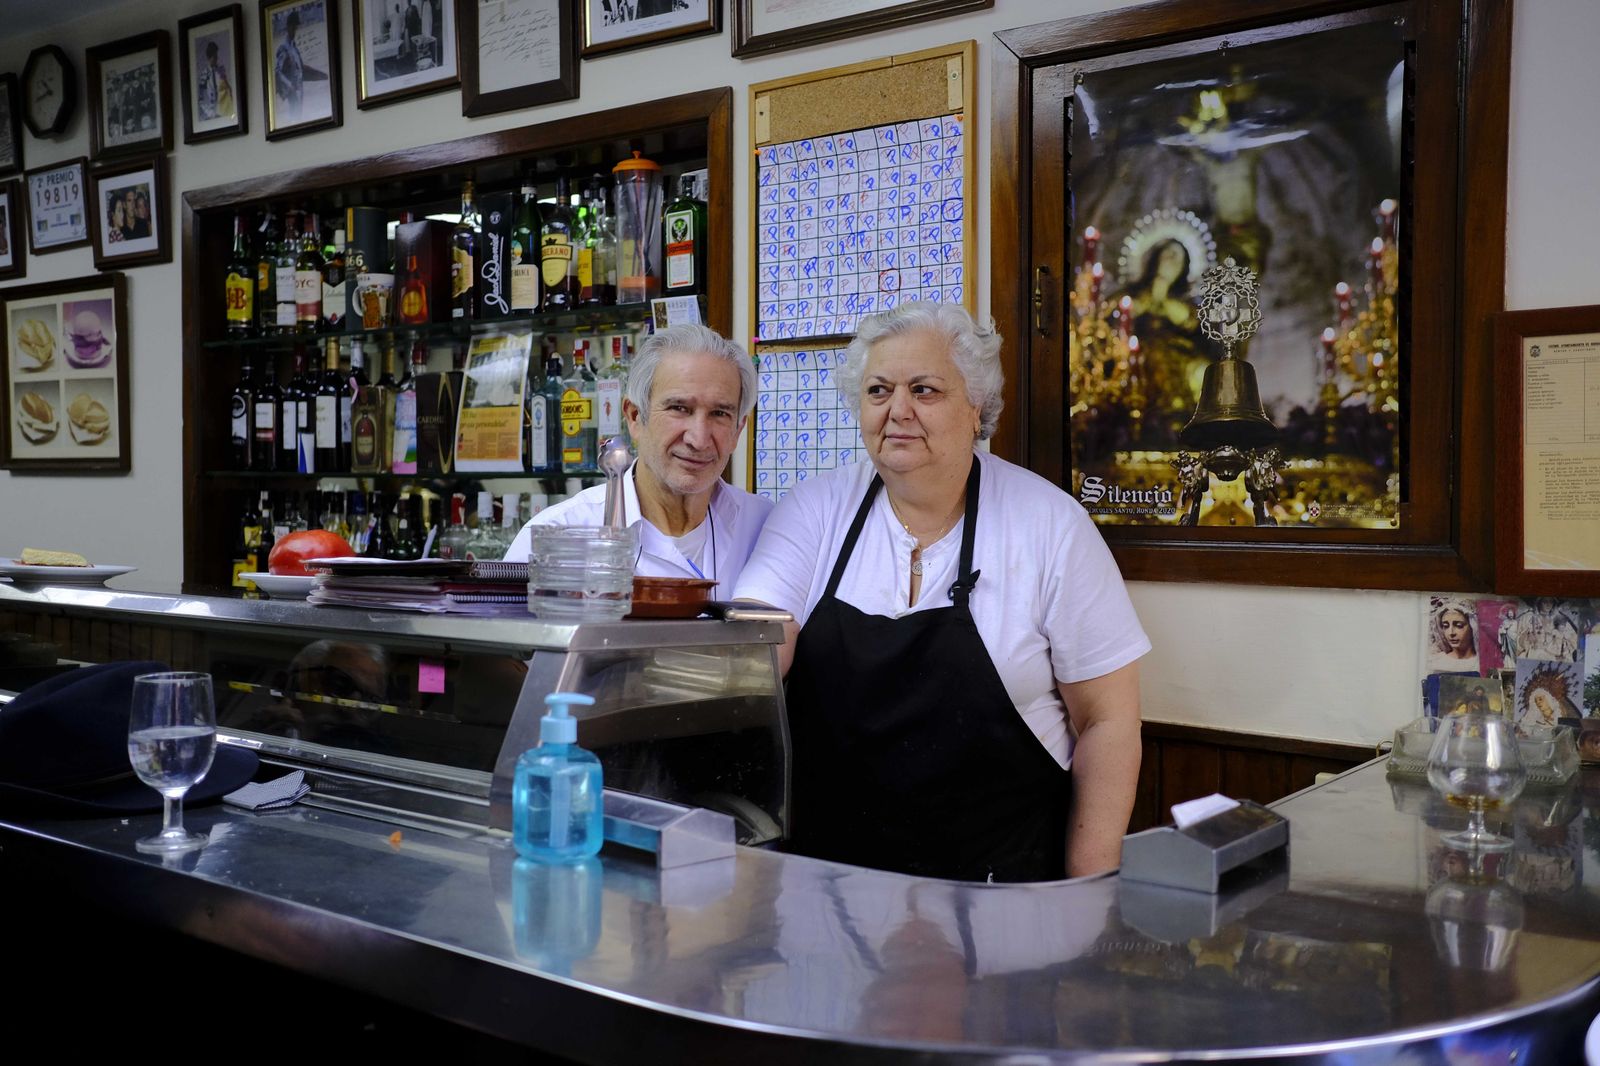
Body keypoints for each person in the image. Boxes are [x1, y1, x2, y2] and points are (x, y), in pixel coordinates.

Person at [735, 302, 1149, 882]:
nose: (897, 410)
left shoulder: (1051, 526)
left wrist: (1088, 894)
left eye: (924, 390)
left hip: (999, 900)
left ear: (975, 406)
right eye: (878, 390)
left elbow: (1108, 720)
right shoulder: (814, 510)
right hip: (831, 900)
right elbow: (755, 644)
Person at [503, 324, 772, 600]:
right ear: (634, 417)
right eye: (679, 408)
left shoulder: (769, 527)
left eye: (719, 413)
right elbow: (504, 640)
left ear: (738, 430)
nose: (699, 439)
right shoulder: (555, 536)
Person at [1427, 595, 1479, 674]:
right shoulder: (1436, 661)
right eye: (1445, 626)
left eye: (1459, 626)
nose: (1451, 633)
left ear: (1473, 627)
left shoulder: (1480, 663)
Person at [274, 10, 305, 122]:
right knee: (294, 117)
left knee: (298, 117)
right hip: (292, 90)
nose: (294, 30)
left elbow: (299, 68)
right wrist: (289, 84)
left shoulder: (294, 47)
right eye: (292, 27)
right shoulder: (284, 48)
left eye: (295, 27)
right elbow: (278, 71)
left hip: (299, 88)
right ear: (288, 27)